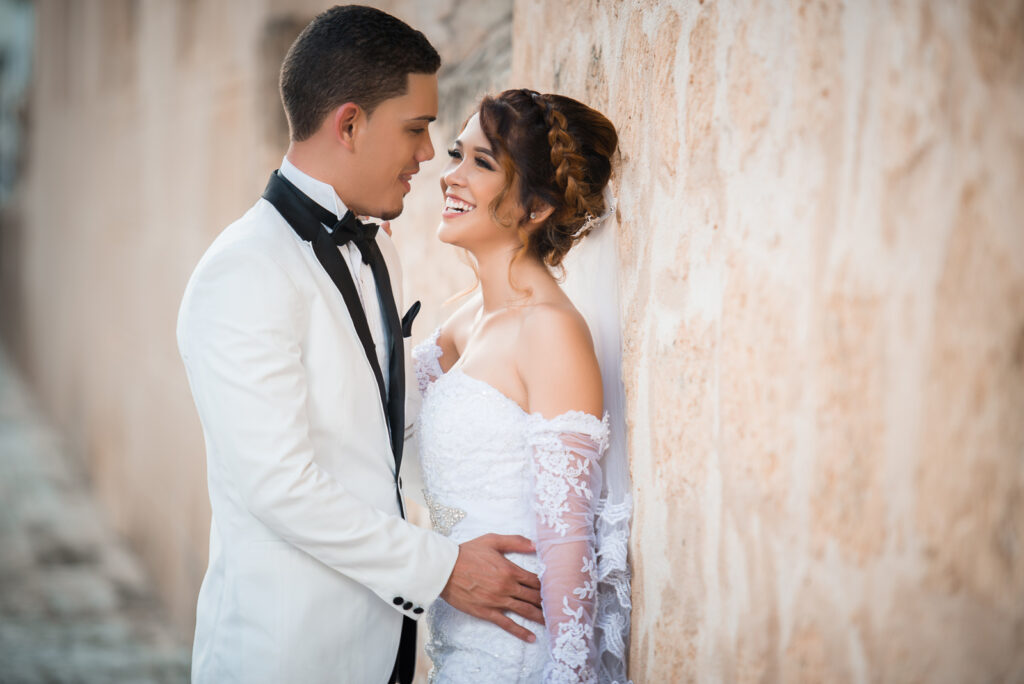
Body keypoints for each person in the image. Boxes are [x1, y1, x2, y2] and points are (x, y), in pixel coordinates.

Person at [176, 8, 543, 684]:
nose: (429, 155)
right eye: (416, 128)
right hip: (286, 659)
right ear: (349, 124)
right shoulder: (243, 272)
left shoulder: (378, 254)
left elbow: (388, 430)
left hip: (391, 651)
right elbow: (279, 486)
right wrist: (444, 568)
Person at [412, 89, 632, 682]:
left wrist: (568, 672)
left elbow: (568, 538)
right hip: (456, 639)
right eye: (458, 155)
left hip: (517, 652)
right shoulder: (464, 322)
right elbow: (384, 406)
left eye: (481, 164)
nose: (449, 177)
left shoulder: (550, 331)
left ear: (535, 208)